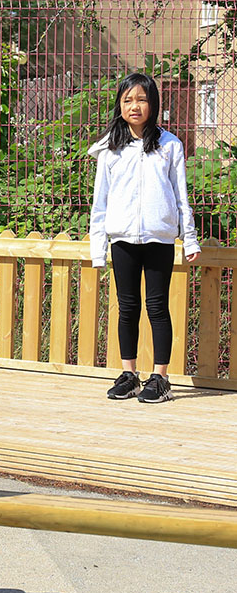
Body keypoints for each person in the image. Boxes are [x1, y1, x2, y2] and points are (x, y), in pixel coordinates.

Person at [89, 73, 201, 403]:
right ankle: (129, 374)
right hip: (122, 239)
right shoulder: (110, 148)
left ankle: (160, 377)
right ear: (119, 105)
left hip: (159, 238)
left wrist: (190, 239)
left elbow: (181, 197)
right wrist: (99, 249)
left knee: (156, 306)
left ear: (152, 103)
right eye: (127, 100)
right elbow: (100, 202)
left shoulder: (170, 145)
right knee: (127, 307)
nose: (134, 106)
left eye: (141, 99)